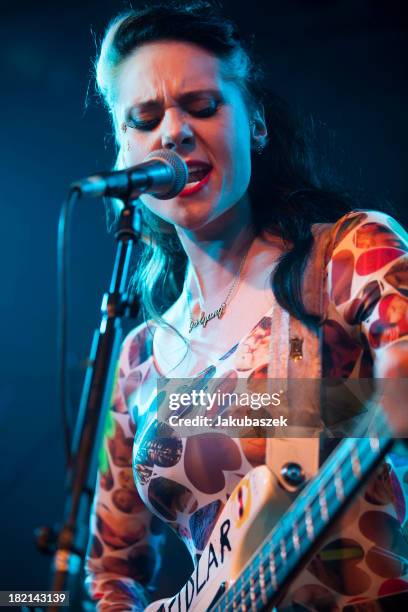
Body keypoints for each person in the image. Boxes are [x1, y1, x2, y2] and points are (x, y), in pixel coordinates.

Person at [84, 2, 408, 610]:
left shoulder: (347, 256)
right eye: (145, 118)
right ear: (125, 158)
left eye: (201, 106)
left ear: (255, 123)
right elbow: (111, 568)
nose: (173, 132)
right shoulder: (137, 363)